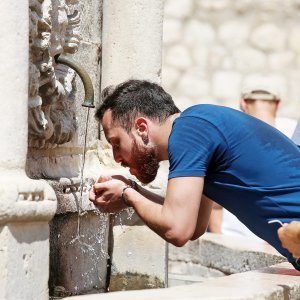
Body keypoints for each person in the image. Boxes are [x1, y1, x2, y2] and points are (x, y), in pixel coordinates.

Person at [89, 79, 300, 271]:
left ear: (141, 128)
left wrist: (127, 194)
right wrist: (133, 192)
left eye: (116, 143)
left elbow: (178, 230)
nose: (117, 157)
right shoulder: (197, 125)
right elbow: (194, 225)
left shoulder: (188, 132)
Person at [209, 87, 298, 239]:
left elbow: (214, 205)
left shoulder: (227, 134)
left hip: (236, 239)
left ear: (243, 103)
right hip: (286, 241)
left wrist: (220, 239)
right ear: (278, 104)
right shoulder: (293, 132)